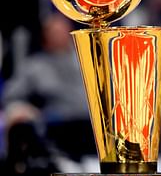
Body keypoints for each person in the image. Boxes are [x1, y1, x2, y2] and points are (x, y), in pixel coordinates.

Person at [1, 14, 93, 161]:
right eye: (54, 32)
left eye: (62, 31)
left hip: (92, 124)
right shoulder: (34, 66)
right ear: (45, 37)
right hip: (59, 127)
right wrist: (21, 108)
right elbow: (11, 95)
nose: (59, 36)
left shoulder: (87, 60)